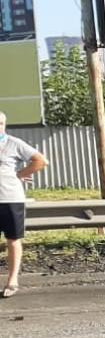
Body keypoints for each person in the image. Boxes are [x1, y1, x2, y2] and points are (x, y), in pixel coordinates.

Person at [0, 111, 47, 299]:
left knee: (12, 240)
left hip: (10, 198)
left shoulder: (13, 143)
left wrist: (19, 174)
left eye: (1, 123)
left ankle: (12, 280)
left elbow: (41, 161)